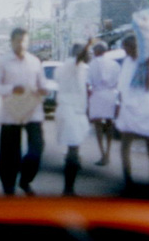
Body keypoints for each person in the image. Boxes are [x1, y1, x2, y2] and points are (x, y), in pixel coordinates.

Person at [0, 27, 49, 196]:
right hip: (11, 112)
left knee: (36, 148)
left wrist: (43, 90)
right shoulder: (2, 62)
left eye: (24, 40)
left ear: (27, 42)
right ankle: (8, 187)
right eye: (17, 40)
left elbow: (42, 83)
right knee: (9, 153)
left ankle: (25, 180)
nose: (20, 44)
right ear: (11, 42)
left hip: (33, 111)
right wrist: (11, 88)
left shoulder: (35, 61)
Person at [115, 34, 149, 195]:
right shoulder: (127, 62)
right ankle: (128, 180)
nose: (124, 50)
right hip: (128, 107)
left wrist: (148, 64)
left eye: (126, 47)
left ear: (134, 47)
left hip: (144, 107)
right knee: (125, 146)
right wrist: (119, 106)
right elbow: (121, 87)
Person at [54, 41, 91, 196]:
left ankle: (71, 176)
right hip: (69, 112)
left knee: (74, 148)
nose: (89, 56)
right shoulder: (71, 66)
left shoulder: (81, 68)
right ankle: (68, 189)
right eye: (87, 53)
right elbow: (78, 60)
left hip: (75, 112)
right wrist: (88, 45)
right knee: (73, 149)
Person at [87, 41, 120, 166]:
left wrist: (88, 101)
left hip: (97, 95)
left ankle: (103, 154)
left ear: (96, 52)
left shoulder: (92, 64)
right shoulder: (114, 64)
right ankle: (108, 153)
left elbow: (88, 83)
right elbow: (118, 83)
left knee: (98, 126)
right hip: (111, 95)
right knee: (110, 124)